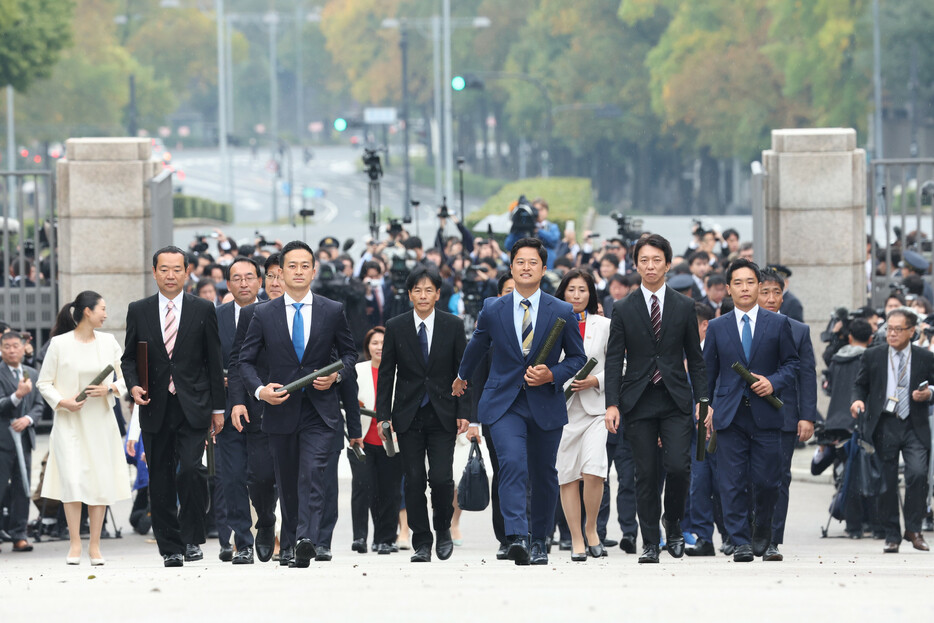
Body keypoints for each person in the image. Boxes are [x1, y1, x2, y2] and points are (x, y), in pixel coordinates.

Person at [455, 237, 586, 566]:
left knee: (544, 473)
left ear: (544, 269)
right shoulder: (493, 308)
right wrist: (461, 376)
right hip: (503, 402)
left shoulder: (562, 311)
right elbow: (477, 346)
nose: (526, 267)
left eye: (533, 263)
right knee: (512, 463)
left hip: (544, 402)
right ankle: (516, 536)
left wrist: (551, 375)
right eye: (520, 262)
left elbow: (576, 359)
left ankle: (540, 539)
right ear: (511, 268)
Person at [238, 240, 360, 567]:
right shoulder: (263, 313)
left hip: (321, 411)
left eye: (305, 265)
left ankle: (308, 538)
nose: (298, 271)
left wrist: (336, 377)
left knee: (312, 474)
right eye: (292, 266)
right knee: (288, 482)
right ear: (280, 272)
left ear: (314, 270)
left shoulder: (331, 310)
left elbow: (350, 354)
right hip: (280, 409)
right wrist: (261, 391)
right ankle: (291, 542)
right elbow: (244, 361)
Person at [604, 234, 708, 564]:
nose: (650, 266)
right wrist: (612, 402)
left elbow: (696, 356)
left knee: (679, 467)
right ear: (636, 264)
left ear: (667, 263)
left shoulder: (684, 305)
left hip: (675, 397)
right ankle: (650, 541)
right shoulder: (623, 307)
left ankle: (673, 523)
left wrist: (703, 401)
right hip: (638, 399)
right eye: (644, 260)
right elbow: (613, 358)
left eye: (656, 260)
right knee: (645, 474)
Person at [121, 246, 226, 567]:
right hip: (155, 406)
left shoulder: (203, 308)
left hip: (193, 405)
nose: (170, 275)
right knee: (161, 478)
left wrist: (218, 409)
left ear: (186, 272)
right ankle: (171, 547)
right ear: (154, 272)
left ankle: (193, 538)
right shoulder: (139, 310)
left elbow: (213, 361)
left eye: (176, 269)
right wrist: (133, 385)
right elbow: (128, 359)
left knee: (192, 470)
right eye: (163, 269)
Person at [703, 258, 798, 563]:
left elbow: (793, 365)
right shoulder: (718, 327)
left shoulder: (779, 324)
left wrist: (773, 382)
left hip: (767, 414)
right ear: (728, 289)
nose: (744, 288)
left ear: (759, 286)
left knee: (768, 481)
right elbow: (707, 372)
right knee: (731, 482)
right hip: (729, 415)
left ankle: (765, 537)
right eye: (738, 283)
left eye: (750, 282)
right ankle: (740, 540)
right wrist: (705, 408)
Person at [377, 265, 468, 563]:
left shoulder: (453, 325)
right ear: (409, 294)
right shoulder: (396, 325)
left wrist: (465, 411)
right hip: (408, 414)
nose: (423, 295)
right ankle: (422, 540)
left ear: (438, 294)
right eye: (418, 290)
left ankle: (443, 529)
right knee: (413, 479)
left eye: (429, 290)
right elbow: (387, 374)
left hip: (443, 413)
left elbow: (463, 372)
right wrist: (384, 416)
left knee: (441, 478)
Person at [37, 292, 131, 565]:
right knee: (72, 480)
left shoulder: (108, 342)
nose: (105, 314)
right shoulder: (59, 344)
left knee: (98, 481)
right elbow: (44, 383)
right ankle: (75, 544)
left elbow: (127, 376)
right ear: (87, 311)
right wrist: (62, 402)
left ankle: (95, 546)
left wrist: (110, 388)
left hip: (100, 421)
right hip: (69, 422)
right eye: (102, 309)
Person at [851, 307, 934, 553]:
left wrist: (930, 393)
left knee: (918, 474)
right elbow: (859, 385)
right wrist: (857, 401)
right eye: (889, 328)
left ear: (912, 331)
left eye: (899, 329)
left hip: (914, 423)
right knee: (886, 481)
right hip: (885, 423)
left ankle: (913, 528)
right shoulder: (873, 356)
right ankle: (891, 535)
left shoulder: (925, 357)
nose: (892, 334)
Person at [226, 253, 284, 564]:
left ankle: (290, 542)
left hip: (300, 411)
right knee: (261, 476)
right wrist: (238, 400)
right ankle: (265, 520)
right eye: (272, 276)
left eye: (282, 275)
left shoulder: (318, 311)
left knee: (296, 475)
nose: (277, 282)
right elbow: (238, 362)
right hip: (260, 409)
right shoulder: (253, 314)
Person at [758, 270, 816, 560]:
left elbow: (807, 375)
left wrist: (807, 416)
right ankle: (743, 534)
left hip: (784, 416)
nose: (771, 298)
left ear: (784, 294)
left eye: (776, 292)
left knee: (779, 478)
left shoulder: (798, 330)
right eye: (765, 291)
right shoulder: (739, 326)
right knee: (745, 477)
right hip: (746, 415)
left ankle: (772, 540)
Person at [554, 269, 610, 561]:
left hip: (595, 408)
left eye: (582, 290)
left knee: (593, 470)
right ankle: (576, 538)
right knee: (567, 475)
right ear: (563, 292)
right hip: (561, 410)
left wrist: (595, 380)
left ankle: (591, 529)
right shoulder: (553, 321)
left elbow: (620, 364)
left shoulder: (604, 325)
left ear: (591, 294)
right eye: (571, 290)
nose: (576, 296)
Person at [212, 256, 262, 564]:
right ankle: (243, 541)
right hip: (227, 410)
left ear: (260, 281)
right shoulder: (214, 317)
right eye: (237, 278)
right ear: (228, 284)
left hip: (265, 409)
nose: (243, 283)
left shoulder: (274, 312)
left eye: (249, 277)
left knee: (264, 478)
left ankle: (267, 530)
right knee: (231, 478)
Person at [465, 271, 515, 560]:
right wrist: (474, 420)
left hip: (533, 410)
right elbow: (477, 377)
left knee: (530, 473)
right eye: (507, 290)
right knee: (505, 473)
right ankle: (506, 536)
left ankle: (532, 532)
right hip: (496, 414)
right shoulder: (490, 325)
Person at [350, 327, 403, 555]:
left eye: (383, 343)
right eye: (374, 343)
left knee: (389, 491)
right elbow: (348, 405)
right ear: (367, 347)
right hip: (361, 440)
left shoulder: (400, 372)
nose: (379, 347)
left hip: (391, 442)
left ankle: (385, 538)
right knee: (362, 488)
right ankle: (360, 537)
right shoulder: (357, 370)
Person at [0, 332, 42, 555]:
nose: (12, 350)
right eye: (7, 346)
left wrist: (28, 419)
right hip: (2, 441)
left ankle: (19, 536)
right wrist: (16, 396)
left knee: (22, 488)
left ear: (23, 347)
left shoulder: (31, 373)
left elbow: (38, 405)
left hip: (24, 440)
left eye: (15, 346)